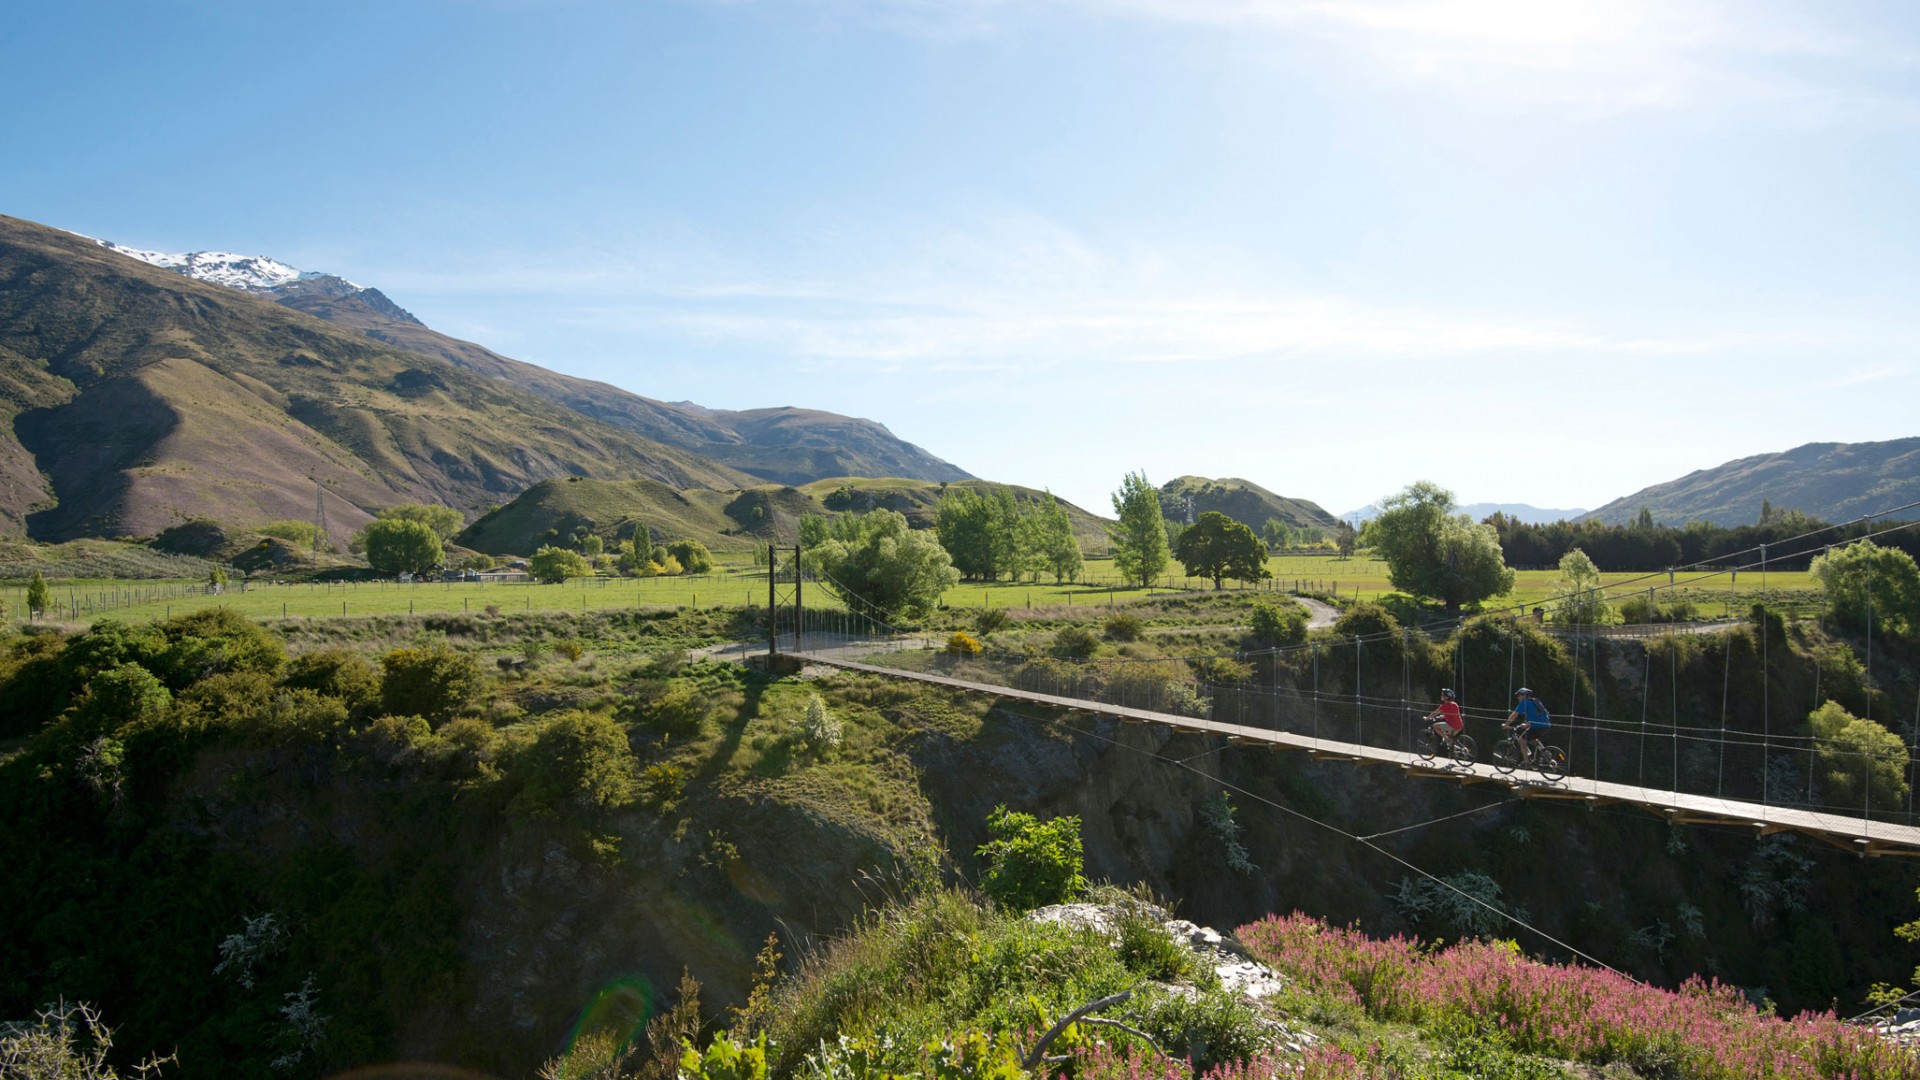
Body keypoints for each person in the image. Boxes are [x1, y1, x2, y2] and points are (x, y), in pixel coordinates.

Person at [1507, 687, 1549, 760]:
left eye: (1518, 695)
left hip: (1536, 726)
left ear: (1523, 695)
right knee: (1532, 739)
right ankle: (1546, 754)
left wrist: (1506, 724)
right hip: (1546, 725)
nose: (1517, 697)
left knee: (1521, 740)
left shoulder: (1524, 702)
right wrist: (1527, 724)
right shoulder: (1536, 701)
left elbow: (1514, 714)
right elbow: (1539, 715)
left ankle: (1526, 762)